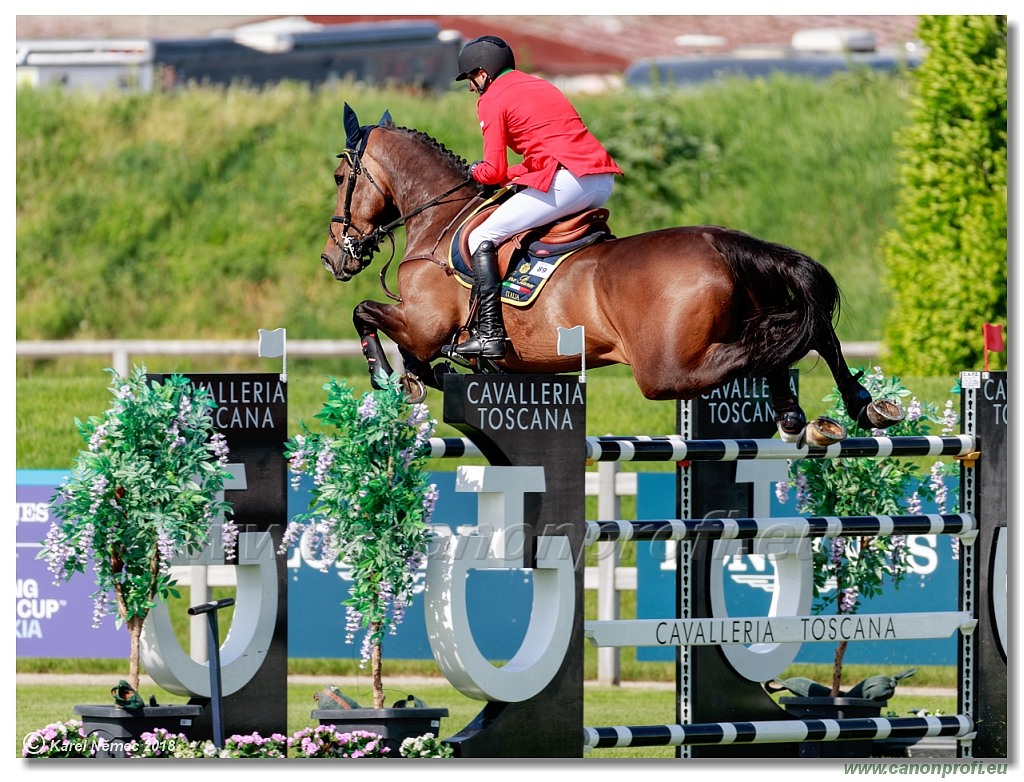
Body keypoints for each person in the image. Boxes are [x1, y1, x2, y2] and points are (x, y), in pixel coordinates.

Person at [453, 35, 623, 359]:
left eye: (471, 79)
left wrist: (473, 171)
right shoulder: (538, 85)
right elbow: (538, 155)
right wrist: (515, 174)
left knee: (481, 236)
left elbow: (492, 169)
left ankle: (489, 333)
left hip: (569, 181)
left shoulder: (492, 99)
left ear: (483, 73)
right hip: (600, 180)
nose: (471, 88)